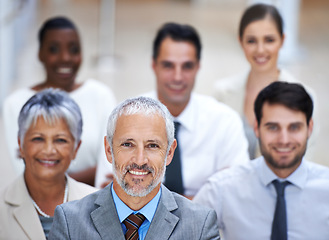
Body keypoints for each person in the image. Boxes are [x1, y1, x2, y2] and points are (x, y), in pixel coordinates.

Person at [95, 22, 249, 198]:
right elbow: (107, 194)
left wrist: (139, 194)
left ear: (198, 67)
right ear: (154, 65)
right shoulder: (123, 119)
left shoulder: (225, 122)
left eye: (187, 66)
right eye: (168, 65)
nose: (177, 77)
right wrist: (204, 197)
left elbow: (235, 196)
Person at [48, 96, 220, 240]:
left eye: (152, 145)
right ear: (109, 150)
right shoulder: (70, 221)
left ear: (169, 153)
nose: (140, 159)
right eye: (128, 144)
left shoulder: (200, 225)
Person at [194, 81, 329, 239]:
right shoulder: (222, 189)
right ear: (256, 128)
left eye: (294, 127)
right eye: (273, 127)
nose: (284, 140)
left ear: (310, 128)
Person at [2, 16, 116, 186]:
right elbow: (27, 176)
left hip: (95, 205)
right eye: (54, 49)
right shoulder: (16, 103)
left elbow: (110, 169)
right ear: (40, 54)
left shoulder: (101, 95)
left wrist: (52, 179)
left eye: (74, 49)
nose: (65, 58)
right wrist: (92, 174)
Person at [213, 3, 318, 159]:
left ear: (282, 40)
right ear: (240, 42)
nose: (260, 50)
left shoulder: (305, 96)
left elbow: (305, 162)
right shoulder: (222, 92)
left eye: (269, 40)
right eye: (251, 41)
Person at [0, 89, 97, 239]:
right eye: (38, 138)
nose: (49, 150)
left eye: (60, 140)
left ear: (76, 148)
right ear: (21, 144)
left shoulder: (99, 207)